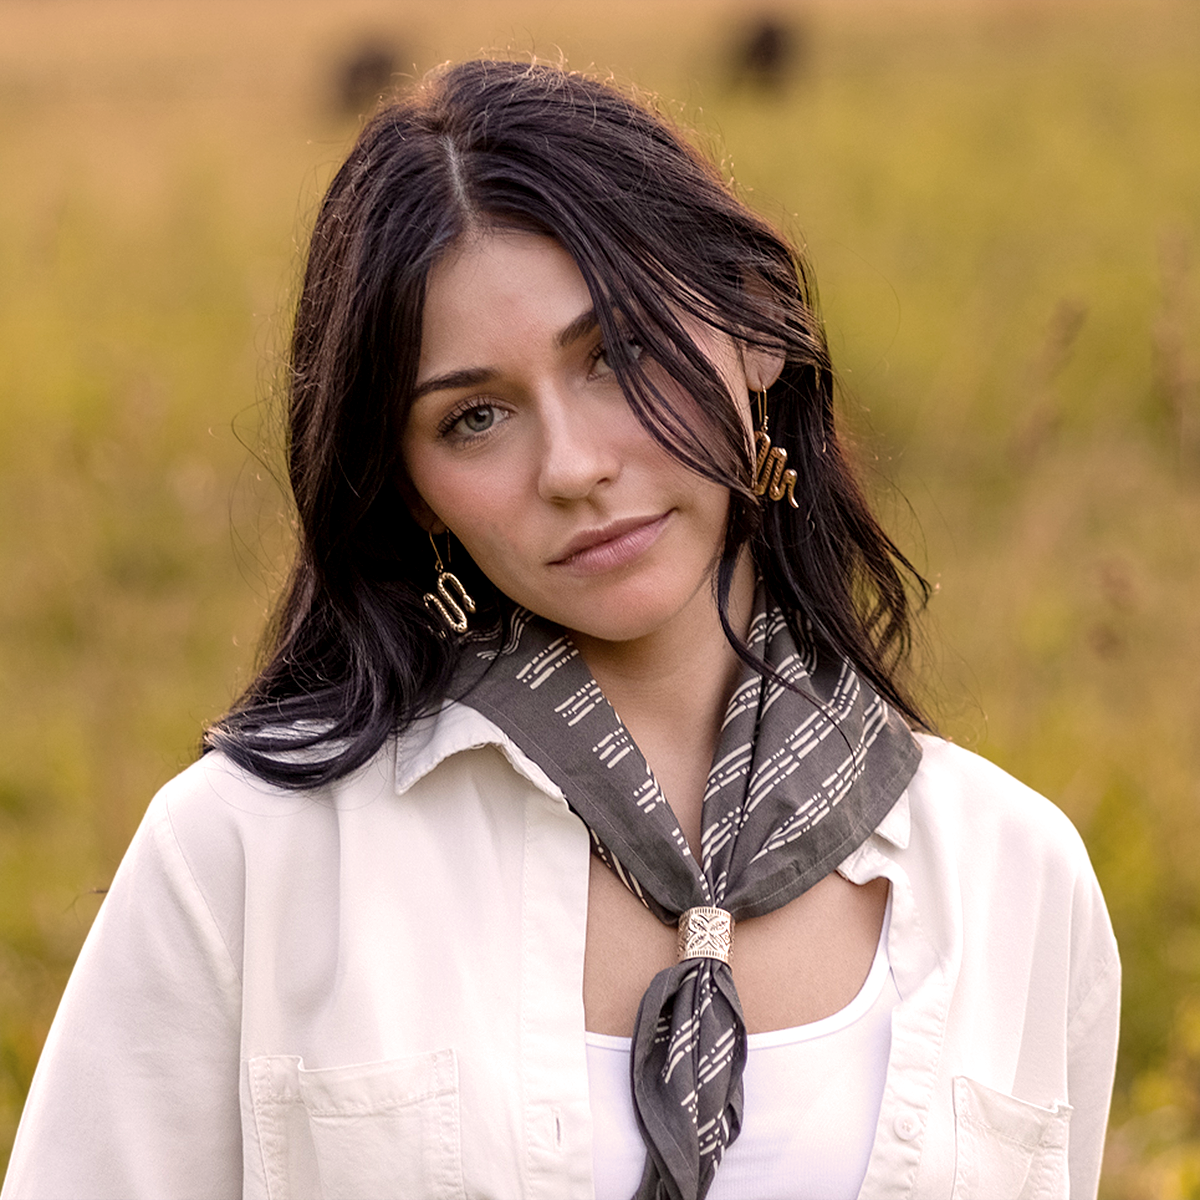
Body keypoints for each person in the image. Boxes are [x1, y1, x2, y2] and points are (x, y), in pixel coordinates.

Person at [1, 59, 1119, 1200]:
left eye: (622, 355)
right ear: (409, 486)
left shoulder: (1012, 872)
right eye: (474, 417)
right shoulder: (248, 855)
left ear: (755, 336)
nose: (575, 468)